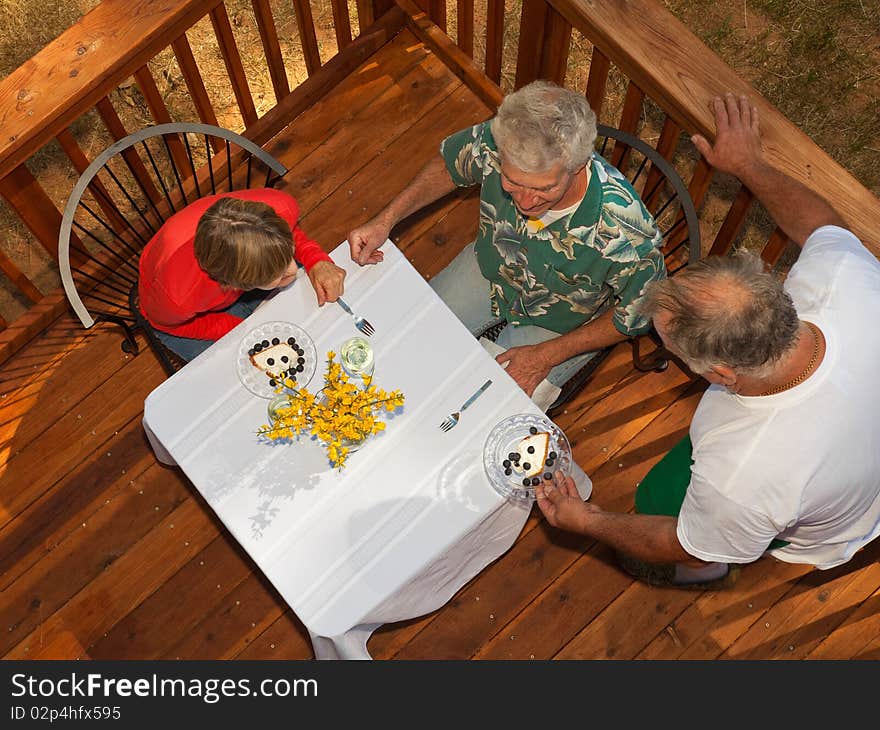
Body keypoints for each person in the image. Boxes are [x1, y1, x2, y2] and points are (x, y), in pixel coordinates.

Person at [535, 93, 880, 589]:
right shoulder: (843, 276)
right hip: (844, 448)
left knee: (659, 505)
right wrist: (749, 165)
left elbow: (680, 542)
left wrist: (583, 521)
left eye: (671, 346)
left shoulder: (743, 478)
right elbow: (822, 226)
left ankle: (713, 573)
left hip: (830, 510)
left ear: (719, 373)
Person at [347, 80, 665, 400]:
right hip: (490, 268)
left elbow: (637, 314)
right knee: (403, 339)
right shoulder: (507, 139)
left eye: (543, 189)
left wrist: (545, 356)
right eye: (512, 182)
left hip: (559, 321)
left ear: (578, 166)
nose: (526, 203)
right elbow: (450, 165)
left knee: (481, 404)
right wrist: (386, 220)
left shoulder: (628, 233)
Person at [139, 187, 345, 361]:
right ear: (235, 284)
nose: (293, 269)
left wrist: (315, 259)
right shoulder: (176, 299)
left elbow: (289, 232)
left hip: (214, 286)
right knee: (234, 367)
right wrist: (237, 327)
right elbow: (165, 324)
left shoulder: (281, 205)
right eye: (279, 274)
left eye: (289, 254)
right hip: (176, 318)